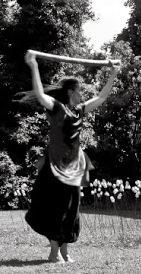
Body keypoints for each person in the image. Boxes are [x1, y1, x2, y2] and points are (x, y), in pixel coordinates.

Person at [22, 50, 120, 263]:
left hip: (74, 167)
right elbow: (40, 95)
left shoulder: (80, 111)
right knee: (54, 207)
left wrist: (113, 74)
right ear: (70, 92)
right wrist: (34, 66)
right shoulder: (58, 109)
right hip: (55, 165)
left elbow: (102, 97)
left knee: (70, 209)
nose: (82, 95)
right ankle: (54, 252)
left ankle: (65, 251)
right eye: (79, 91)